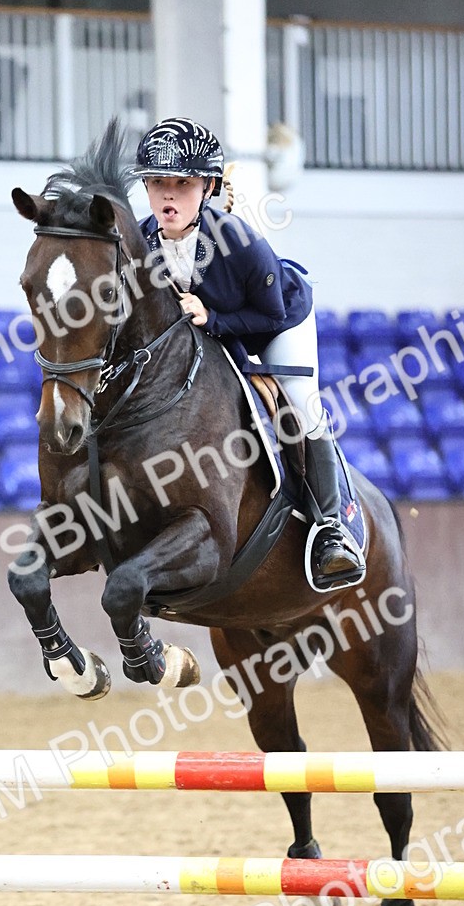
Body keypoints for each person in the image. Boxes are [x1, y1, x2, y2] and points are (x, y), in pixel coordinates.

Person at [132, 116, 364, 587]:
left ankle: (331, 528)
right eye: (157, 183)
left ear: (208, 187)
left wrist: (213, 319)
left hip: (276, 320)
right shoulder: (142, 242)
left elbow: (271, 314)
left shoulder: (238, 242)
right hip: (215, 331)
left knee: (301, 405)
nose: (168, 196)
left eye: (183, 183)